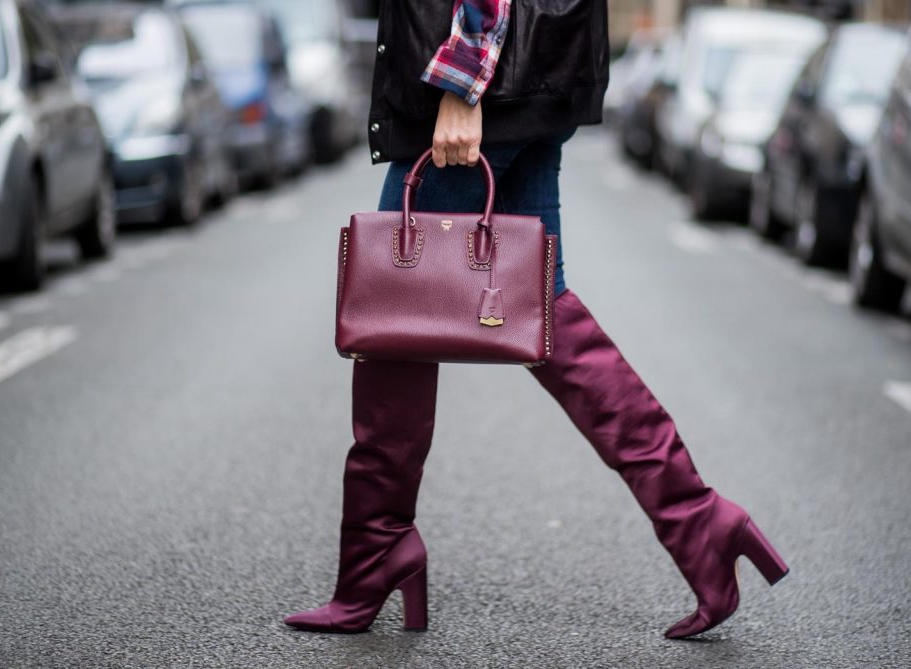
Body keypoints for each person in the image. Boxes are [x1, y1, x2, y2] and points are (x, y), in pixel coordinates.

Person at [285, 0, 788, 639]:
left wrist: (465, 83)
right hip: (534, 77)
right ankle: (698, 519)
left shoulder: (474, 86)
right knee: (541, 309)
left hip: (489, 86)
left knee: (396, 310)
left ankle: (377, 551)